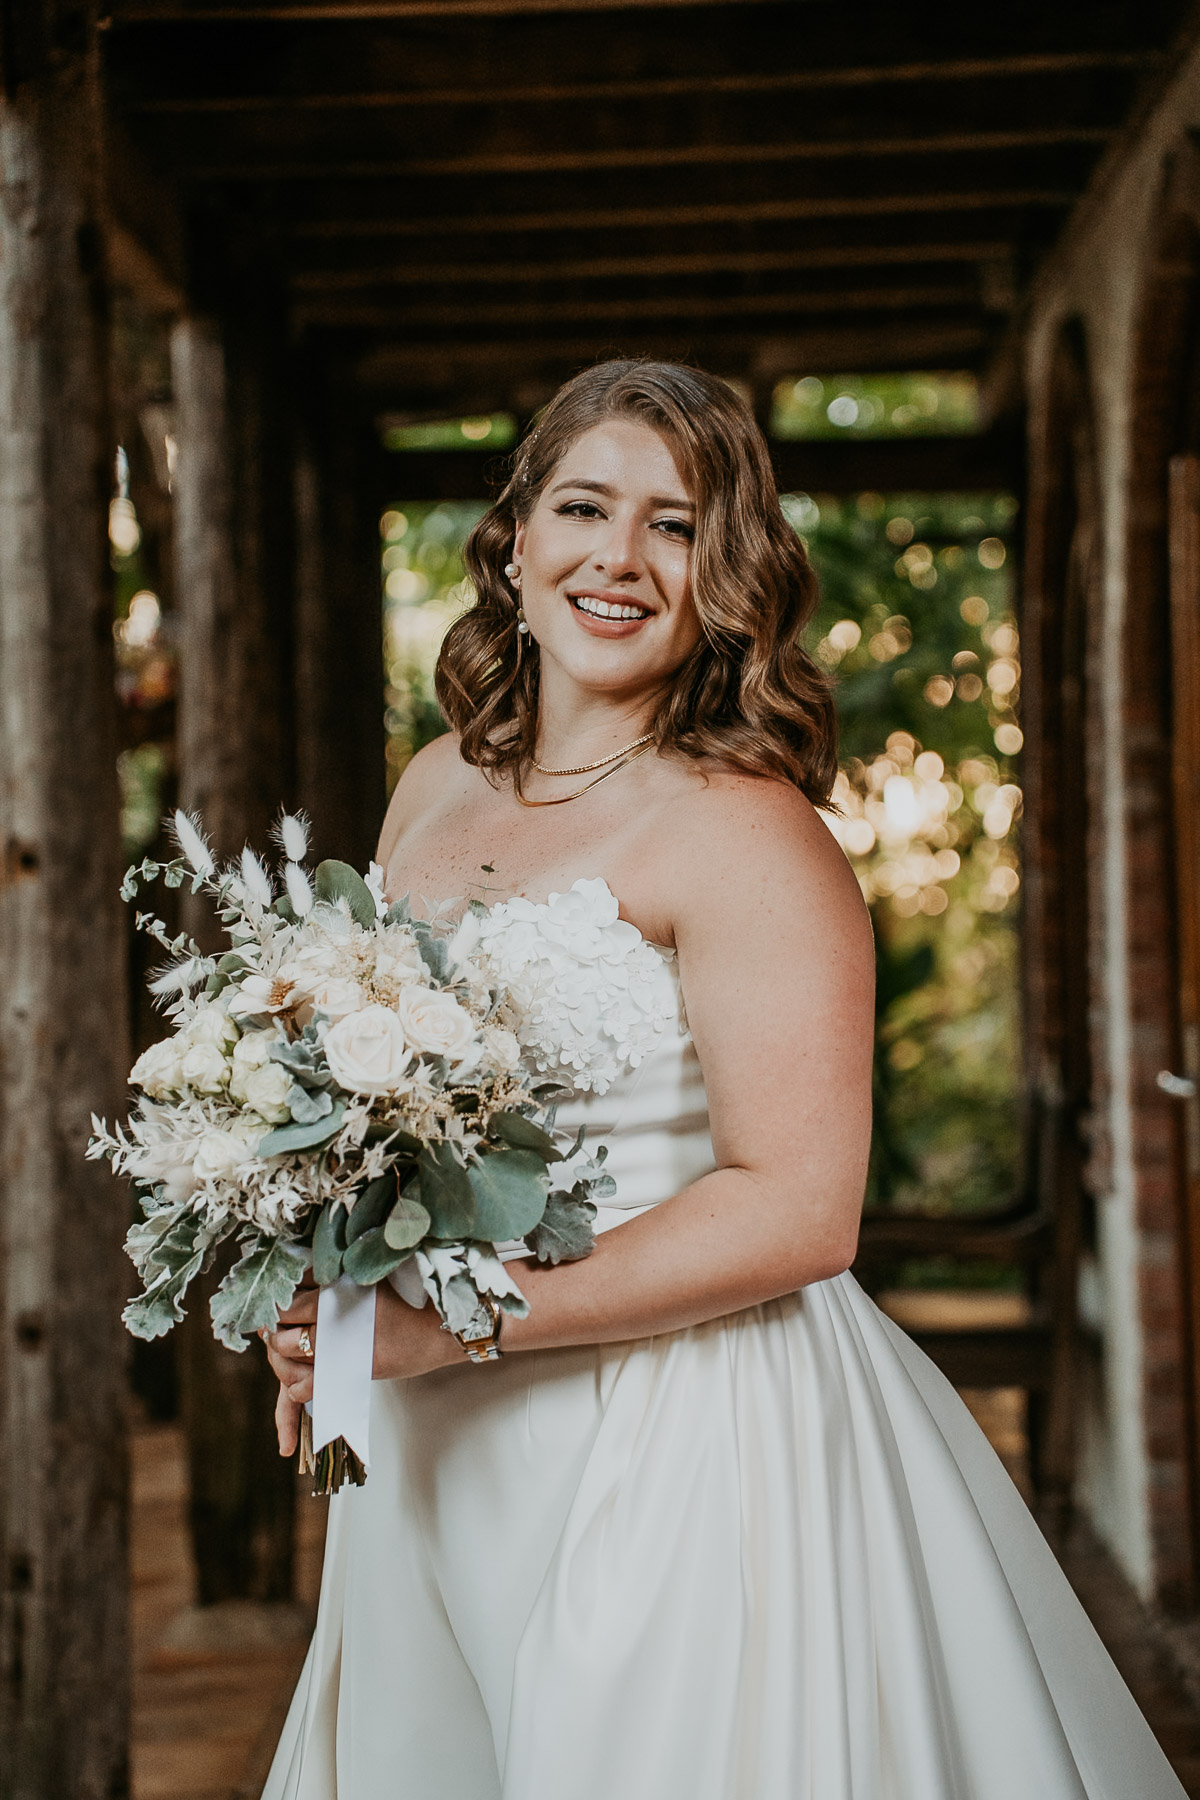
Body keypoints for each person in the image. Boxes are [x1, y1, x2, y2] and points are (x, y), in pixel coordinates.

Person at [261, 360, 1185, 1798]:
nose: (618, 560)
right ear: (512, 544)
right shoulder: (434, 779)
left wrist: (455, 1328)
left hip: (676, 1447)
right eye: (583, 506)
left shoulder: (750, 831)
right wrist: (329, 1323)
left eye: (677, 527)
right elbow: (381, 1115)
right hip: (438, 1459)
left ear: (730, 574)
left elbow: (801, 1212)